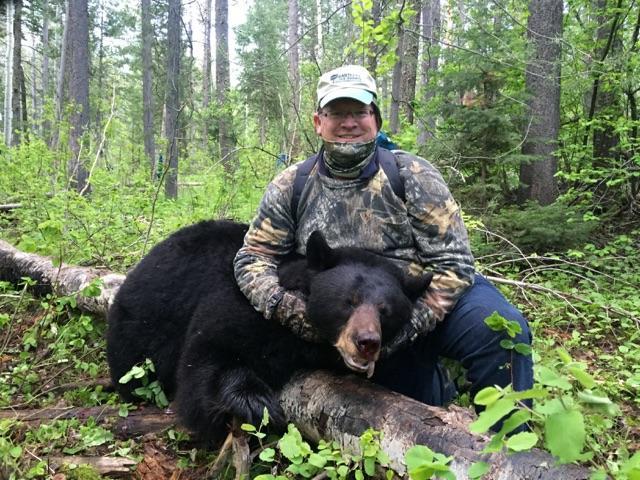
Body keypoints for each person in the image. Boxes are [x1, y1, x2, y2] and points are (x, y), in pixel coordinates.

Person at [234, 65, 532, 411]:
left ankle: (509, 446)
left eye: (359, 111)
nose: (349, 122)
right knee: (410, 397)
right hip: (341, 312)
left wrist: (401, 331)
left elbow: (454, 266)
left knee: (502, 330)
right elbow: (253, 259)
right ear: (319, 122)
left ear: (375, 118)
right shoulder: (292, 185)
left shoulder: (413, 176)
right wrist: (295, 312)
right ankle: (439, 387)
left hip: (417, 299)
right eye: (337, 113)